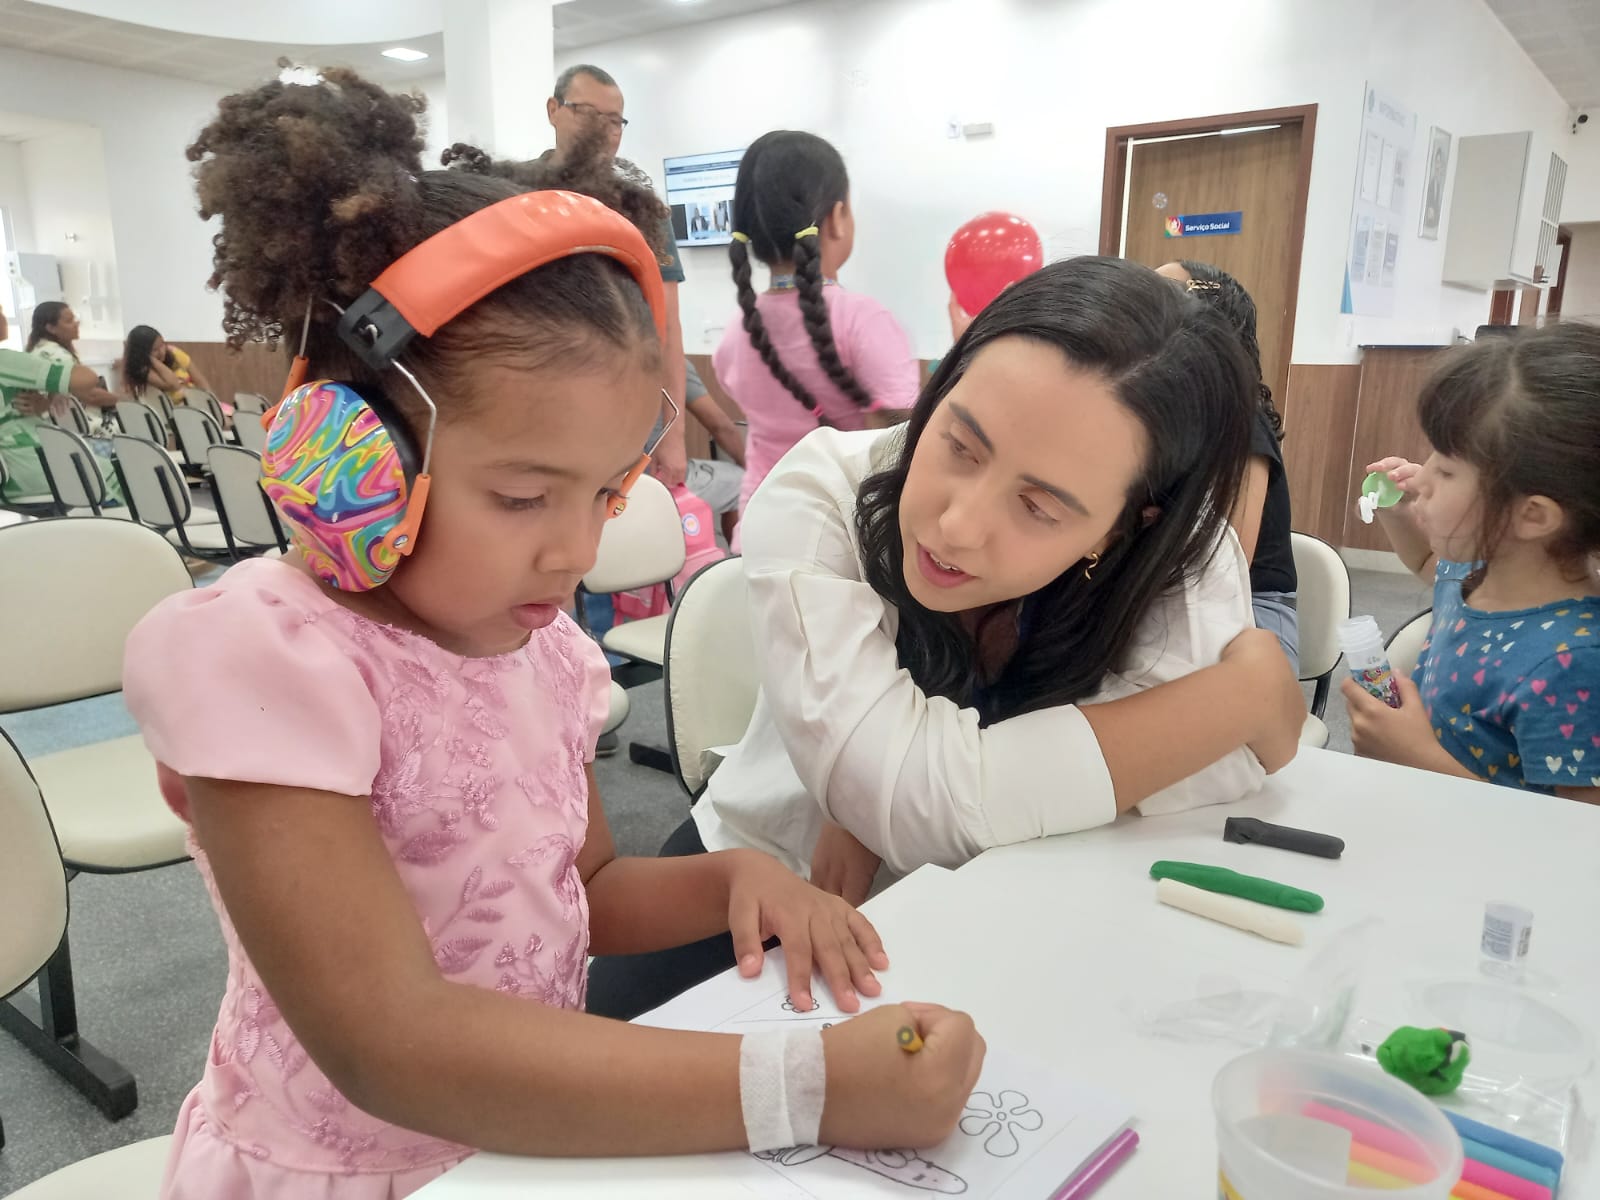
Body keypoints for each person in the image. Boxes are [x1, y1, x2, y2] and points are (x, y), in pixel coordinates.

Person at [123, 69, 983, 1198]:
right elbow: (396, 1044)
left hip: (525, 1146)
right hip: (347, 1166)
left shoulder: (544, 654)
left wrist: (731, 877)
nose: (576, 552)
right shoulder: (267, 662)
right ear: (350, 453)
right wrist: (804, 1087)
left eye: (607, 493)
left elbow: (584, 888)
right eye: (526, 499)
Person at [588, 256, 1307, 1019]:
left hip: (1022, 909)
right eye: (959, 445)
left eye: (1040, 507)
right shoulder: (820, 491)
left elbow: (1212, 778)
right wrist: (1242, 697)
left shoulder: (1177, 553)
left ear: (1130, 523)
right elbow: (904, 800)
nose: (957, 525)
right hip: (768, 875)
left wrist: (907, 782)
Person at [1346, 323, 1600, 803]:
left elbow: (1580, 838)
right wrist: (1402, 514)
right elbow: (1427, 561)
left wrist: (1417, 757)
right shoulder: (1476, 575)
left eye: (1445, 470)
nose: (1422, 479)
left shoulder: (1574, 663)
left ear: (1532, 515)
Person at [717, 131, 920, 524]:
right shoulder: (864, 321)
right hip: (837, 540)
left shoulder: (736, 332)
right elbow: (896, 449)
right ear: (838, 219)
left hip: (758, 526)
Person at [542, 63, 688, 490]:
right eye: (587, 114)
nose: (603, 130)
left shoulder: (641, 207)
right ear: (554, 110)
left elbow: (667, 327)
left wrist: (673, 433)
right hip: (546, 408)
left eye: (614, 121)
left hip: (626, 415)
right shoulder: (518, 194)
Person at [1156, 261, 1298, 669]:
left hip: (1252, 610)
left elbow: (1225, 564)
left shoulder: (1242, 418)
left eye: (1158, 294)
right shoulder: (1153, 410)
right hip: (1175, 597)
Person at [24, 300, 120, 433]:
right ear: (51, 328)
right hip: (73, 427)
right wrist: (125, 399)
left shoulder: (36, 350)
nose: (76, 323)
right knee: (128, 427)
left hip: (52, 428)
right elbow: (91, 395)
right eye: (69, 321)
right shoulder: (58, 355)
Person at [121, 324, 214, 403]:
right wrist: (151, 359)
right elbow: (173, 384)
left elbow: (199, 380)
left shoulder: (174, 352)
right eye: (155, 349)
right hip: (174, 411)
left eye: (162, 345)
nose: (162, 351)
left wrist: (212, 402)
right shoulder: (141, 368)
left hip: (195, 401)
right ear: (143, 353)